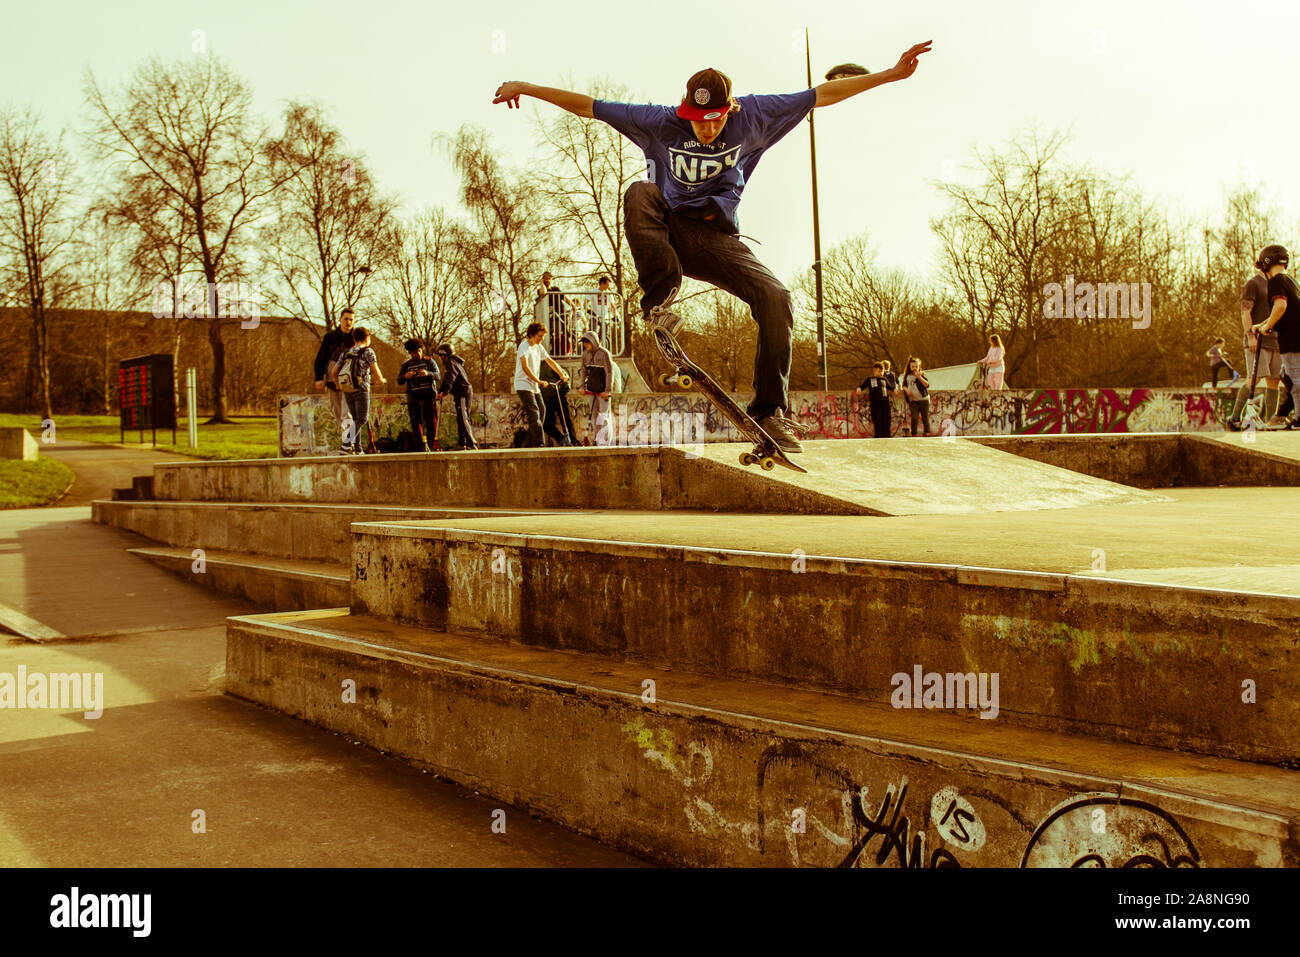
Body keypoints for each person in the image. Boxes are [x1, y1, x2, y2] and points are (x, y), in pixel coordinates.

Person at [493, 40, 932, 455]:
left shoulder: (757, 115)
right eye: (698, 120)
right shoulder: (659, 121)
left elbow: (821, 94)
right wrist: (527, 88)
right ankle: (660, 302)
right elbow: (589, 106)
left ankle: (768, 411)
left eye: (715, 120)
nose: (706, 128)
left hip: (715, 241)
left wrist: (891, 74)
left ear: (730, 109)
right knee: (639, 193)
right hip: (665, 232)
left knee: (777, 298)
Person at [1228, 253, 1283, 429]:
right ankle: (1235, 417)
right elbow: (1245, 312)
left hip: (1275, 340)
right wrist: (1250, 336)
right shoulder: (1254, 284)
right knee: (1255, 377)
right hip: (1257, 340)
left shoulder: (1276, 284)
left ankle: (1269, 421)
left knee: (1274, 381)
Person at [1250, 244, 1300, 429]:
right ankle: (1282, 414)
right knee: (1286, 375)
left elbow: (1281, 306)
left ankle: (1299, 419)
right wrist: (1263, 325)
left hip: (1292, 339)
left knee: (1294, 379)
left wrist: (1268, 325)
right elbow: (1287, 309)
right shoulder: (1291, 280)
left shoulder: (1275, 281)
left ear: (1266, 264)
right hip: (1296, 336)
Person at [515, 322, 570, 447]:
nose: (541, 339)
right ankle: (539, 443)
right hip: (523, 384)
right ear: (532, 334)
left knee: (542, 411)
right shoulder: (523, 346)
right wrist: (538, 381)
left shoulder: (538, 347)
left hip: (534, 385)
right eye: (539, 336)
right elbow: (525, 367)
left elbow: (550, 361)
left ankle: (528, 442)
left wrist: (561, 374)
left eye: (543, 336)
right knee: (534, 413)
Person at [335, 326, 387, 453]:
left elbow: (333, 372)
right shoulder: (368, 351)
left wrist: (338, 385)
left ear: (354, 338)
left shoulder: (346, 353)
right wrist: (381, 380)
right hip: (361, 388)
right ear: (367, 338)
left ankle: (358, 449)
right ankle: (346, 444)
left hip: (348, 389)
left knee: (355, 419)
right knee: (362, 419)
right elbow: (375, 370)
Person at [312, 307, 355, 454]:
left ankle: (349, 444)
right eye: (346, 319)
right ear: (340, 320)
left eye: (351, 320)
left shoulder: (355, 338)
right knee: (337, 413)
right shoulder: (330, 337)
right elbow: (321, 358)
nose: (348, 322)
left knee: (347, 413)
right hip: (331, 380)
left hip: (349, 382)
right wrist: (319, 378)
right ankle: (347, 441)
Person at [399, 338, 441, 452]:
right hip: (414, 397)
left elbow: (438, 375)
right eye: (414, 352)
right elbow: (399, 380)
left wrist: (428, 373)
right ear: (410, 353)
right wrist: (405, 376)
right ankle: (419, 447)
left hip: (429, 396)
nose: (417, 354)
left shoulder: (429, 361)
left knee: (431, 423)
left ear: (421, 350)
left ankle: (432, 445)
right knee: (416, 424)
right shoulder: (406, 365)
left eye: (418, 351)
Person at [435, 343, 478, 450]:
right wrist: (440, 391)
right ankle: (461, 443)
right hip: (461, 393)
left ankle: (472, 443)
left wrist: (445, 392)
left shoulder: (451, 363)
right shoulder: (453, 363)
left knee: (463, 418)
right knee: (460, 418)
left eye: (440, 356)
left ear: (444, 355)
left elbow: (450, 378)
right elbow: (445, 380)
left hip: (463, 393)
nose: (440, 359)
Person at [579, 329, 616, 445]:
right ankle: (597, 439)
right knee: (594, 416)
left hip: (603, 392)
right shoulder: (585, 354)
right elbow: (583, 371)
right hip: (591, 391)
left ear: (593, 341)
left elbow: (609, 372)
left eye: (587, 342)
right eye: (584, 343)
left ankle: (606, 441)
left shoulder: (604, 353)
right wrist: (582, 387)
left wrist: (607, 390)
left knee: (604, 417)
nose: (586, 345)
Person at [540, 360, 578, 446]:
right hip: (546, 399)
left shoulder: (548, 364)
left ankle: (573, 441)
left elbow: (565, 377)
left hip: (558, 395)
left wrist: (563, 388)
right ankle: (561, 439)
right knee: (546, 423)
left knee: (566, 420)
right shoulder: (533, 367)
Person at [856, 361, 894, 438]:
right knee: (878, 422)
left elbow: (891, 387)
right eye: (879, 371)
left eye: (882, 371)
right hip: (875, 404)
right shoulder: (870, 379)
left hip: (885, 403)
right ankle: (878, 437)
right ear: (874, 371)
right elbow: (862, 386)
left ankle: (887, 437)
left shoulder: (884, 380)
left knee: (886, 422)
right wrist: (859, 389)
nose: (881, 373)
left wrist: (895, 390)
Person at [901, 356, 931, 436]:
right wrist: (906, 389)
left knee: (925, 417)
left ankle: (927, 432)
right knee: (914, 417)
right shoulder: (907, 376)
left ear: (919, 367)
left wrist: (919, 377)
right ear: (910, 367)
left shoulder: (922, 374)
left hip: (923, 399)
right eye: (913, 367)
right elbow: (903, 385)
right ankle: (914, 433)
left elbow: (927, 385)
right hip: (913, 400)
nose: (914, 368)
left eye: (916, 366)